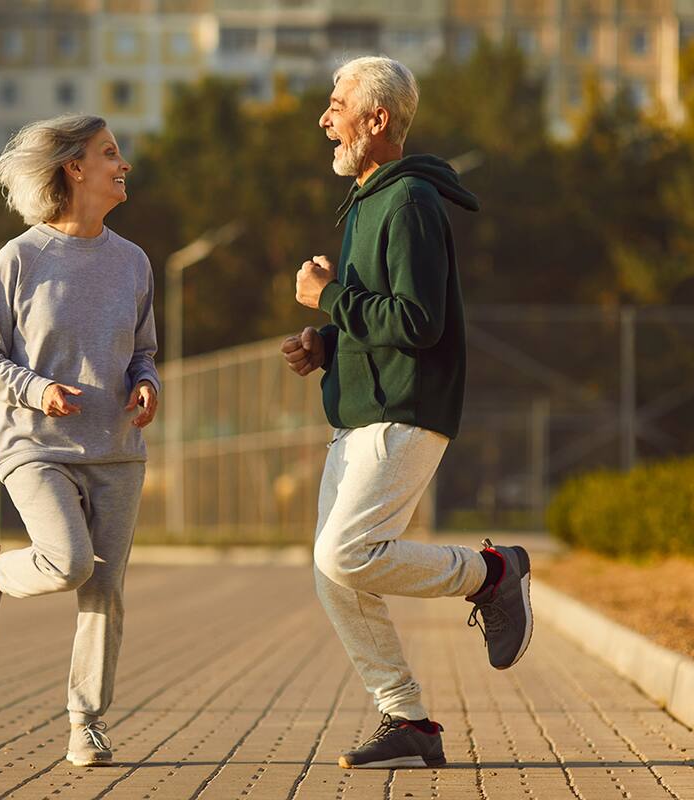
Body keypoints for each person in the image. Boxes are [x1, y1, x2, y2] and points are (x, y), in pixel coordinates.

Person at [281, 56, 533, 770]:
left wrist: (329, 300)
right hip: (362, 409)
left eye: (336, 105)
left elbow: (419, 322)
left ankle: (491, 573)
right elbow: (384, 315)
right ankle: (409, 720)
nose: (324, 119)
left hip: (405, 410)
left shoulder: (410, 202)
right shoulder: (368, 199)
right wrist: (326, 343)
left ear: (377, 119)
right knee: (334, 574)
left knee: (345, 553)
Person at [0, 114, 159, 768]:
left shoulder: (133, 262)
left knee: (106, 590)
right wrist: (36, 390)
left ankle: (85, 722)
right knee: (69, 562)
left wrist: (147, 384)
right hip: (36, 449)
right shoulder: (20, 259)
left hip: (118, 452)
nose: (122, 164)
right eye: (109, 153)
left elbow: (146, 352)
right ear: (74, 167)